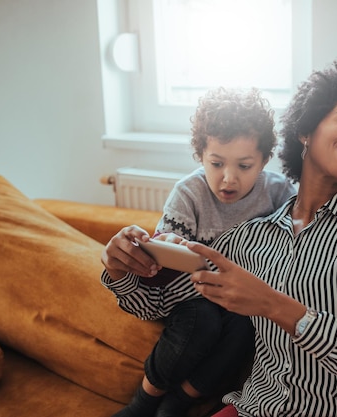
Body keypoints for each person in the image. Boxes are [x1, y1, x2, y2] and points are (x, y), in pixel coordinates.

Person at [180, 60, 337, 417]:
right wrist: (127, 266)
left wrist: (276, 306)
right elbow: (164, 298)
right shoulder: (249, 238)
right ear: (306, 130)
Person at [101, 87, 297, 417]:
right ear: (200, 154)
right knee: (202, 320)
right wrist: (164, 250)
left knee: (244, 326)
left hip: (244, 302)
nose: (228, 179)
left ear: (264, 160)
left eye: (245, 166)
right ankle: (144, 401)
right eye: (216, 163)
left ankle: (179, 402)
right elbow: (159, 276)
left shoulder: (279, 192)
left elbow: (298, 249)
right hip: (191, 298)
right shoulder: (188, 195)